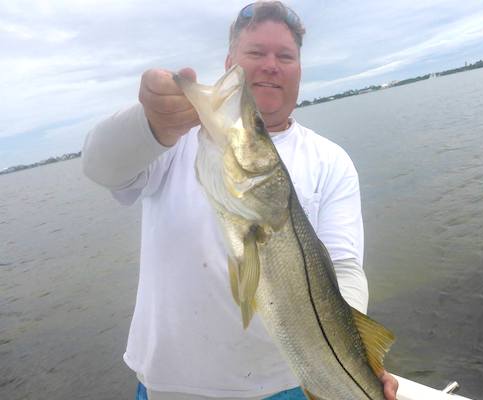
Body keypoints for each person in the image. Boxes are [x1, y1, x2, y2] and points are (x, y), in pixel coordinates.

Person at [82, 2, 399, 399]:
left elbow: (345, 269)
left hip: (292, 384)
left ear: (299, 69)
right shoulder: (172, 142)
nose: (270, 65)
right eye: (255, 53)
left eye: (285, 56)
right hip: (170, 386)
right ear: (230, 61)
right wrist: (149, 122)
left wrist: (356, 360)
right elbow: (100, 167)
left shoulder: (331, 160)